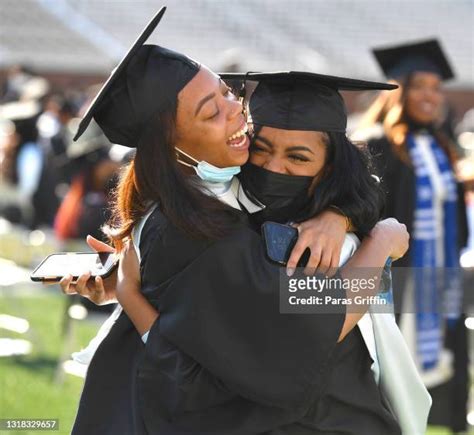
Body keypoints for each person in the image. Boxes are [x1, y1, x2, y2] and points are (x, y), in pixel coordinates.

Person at [59, 8, 408, 435]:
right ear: (172, 145)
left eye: (227, 92)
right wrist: (383, 241)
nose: (235, 114)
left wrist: (340, 217)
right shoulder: (203, 230)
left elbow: (359, 185)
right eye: (210, 113)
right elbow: (319, 319)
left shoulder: (214, 190)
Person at [356, 38, 469, 433]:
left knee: (442, 355)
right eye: (420, 85)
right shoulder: (377, 144)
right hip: (399, 277)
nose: (431, 96)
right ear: (399, 88)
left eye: (436, 88)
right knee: (396, 360)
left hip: (440, 276)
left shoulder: (440, 147)